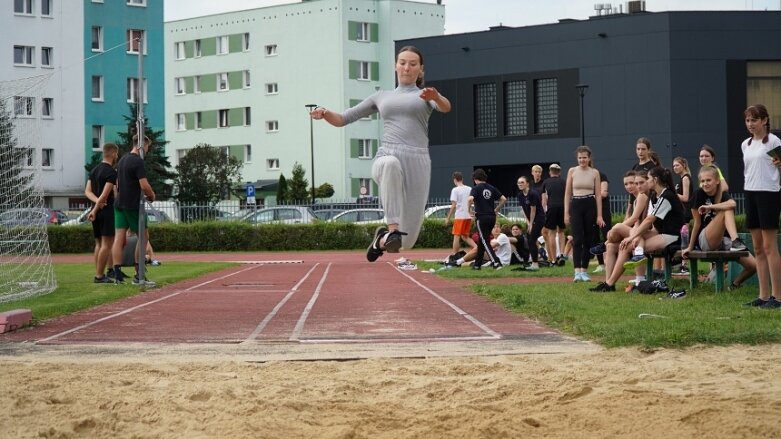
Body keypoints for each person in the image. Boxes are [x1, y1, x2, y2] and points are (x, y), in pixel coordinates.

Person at [310, 46, 451, 262]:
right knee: (391, 164)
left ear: (420, 70)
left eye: (413, 64)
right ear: (395, 66)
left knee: (406, 242)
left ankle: (382, 239)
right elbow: (343, 119)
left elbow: (446, 108)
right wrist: (325, 113)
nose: (407, 67)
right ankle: (392, 228)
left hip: (418, 161)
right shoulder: (381, 96)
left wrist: (437, 96)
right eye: (402, 62)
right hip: (387, 155)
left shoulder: (425, 95)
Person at [591, 166, 685, 292]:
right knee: (622, 244)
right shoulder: (656, 196)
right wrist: (634, 236)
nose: (642, 184)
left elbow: (649, 220)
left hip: (672, 237)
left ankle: (633, 280)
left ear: (655, 180)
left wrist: (632, 237)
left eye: (647, 179)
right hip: (660, 233)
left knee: (627, 242)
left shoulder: (666, 196)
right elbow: (644, 223)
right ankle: (609, 283)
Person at [681, 166, 756, 288]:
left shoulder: (723, 194)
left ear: (717, 181)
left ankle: (735, 285)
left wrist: (710, 207)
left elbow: (733, 203)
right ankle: (736, 241)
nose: (705, 184)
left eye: (708, 180)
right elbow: (697, 224)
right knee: (726, 209)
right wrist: (690, 246)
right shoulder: (698, 194)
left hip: (724, 240)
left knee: (753, 266)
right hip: (705, 240)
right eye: (703, 181)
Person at [740, 104, 781, 308]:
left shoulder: (773, 141)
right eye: (747, 120)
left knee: (769, 247)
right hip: (751, 193)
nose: (750, 124)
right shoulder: (745, 144)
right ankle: (763, 295)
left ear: (764, 120)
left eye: (754, 120)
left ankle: (778, 296)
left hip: (769, 194)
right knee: (757, 247)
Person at [111, 134, 156, 286]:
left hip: (119, 204)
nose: (148, 150)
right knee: (143, 236)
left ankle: (117, 273)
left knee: (119, 237)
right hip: (132, 205)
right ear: (142, 145)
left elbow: (116, 184)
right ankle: (139, 273)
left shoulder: (122, 159)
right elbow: (144, 185)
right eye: (148, 147)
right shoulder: (138, 161)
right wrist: (152, 194)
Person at [564, 146, 605, 282]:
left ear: (589, 158)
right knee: (577, 239)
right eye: (580, 157)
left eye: (584, 157)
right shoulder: (572, 171)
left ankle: (584, 270)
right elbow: (567, 194)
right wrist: (566, 213)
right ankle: (576, 271)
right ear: (577, 158)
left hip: (590, 204)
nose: (582, 160)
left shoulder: (594, 172)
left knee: (588, 239)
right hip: (576, 204)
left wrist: (599, 215)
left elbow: (598, 195)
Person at [85, 143, 118, 284]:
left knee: (98, 243)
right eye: (117, 154)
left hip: (96, 212)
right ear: (114, 153)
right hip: (106, 211)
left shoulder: (94, 170)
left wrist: (95, 204)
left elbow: (87, 191)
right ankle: (99, 276)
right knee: (107, 244)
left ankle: (99, 272)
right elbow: (105, 195)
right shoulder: (111, 172)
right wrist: (97, 206)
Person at [468, 168, 506, 270]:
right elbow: (503, 199)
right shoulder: (491, 188)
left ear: (475, 179)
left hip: (481, 217)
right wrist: (497, 209)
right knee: (482, 240)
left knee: (485, 240)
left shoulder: (476, 188)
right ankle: (477, 264)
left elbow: (470, 199)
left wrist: (469, 211)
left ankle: (496, 262)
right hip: (491, 217)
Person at [444, 171, 476, 260]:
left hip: (460, 216)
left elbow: (454, 205)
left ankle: (454, 255)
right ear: (462, 179)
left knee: (456, 235)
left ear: (454, 180)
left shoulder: (455, 190)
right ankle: (477, 248)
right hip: (468, 216)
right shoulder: (469, 188)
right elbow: (472, 201)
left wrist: (448, 218)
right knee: (465, 236)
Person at [516, 175, 544, 271]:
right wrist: (528, 222)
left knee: (532, 240)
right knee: (530, 240)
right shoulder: (520, 195)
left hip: (538, 218)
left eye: (522, 182)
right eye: (519, 182)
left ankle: (535, 264)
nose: (520, 184)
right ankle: (533, 260)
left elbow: (533, 210)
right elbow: (523, 209)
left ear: (527, 183)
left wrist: (531, 224)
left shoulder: (533, 194)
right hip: (530, 220)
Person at [541, 163, 566, 266]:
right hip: (562, 207)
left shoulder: (545, 182)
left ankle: (554, 260)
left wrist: (545, 212)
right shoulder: (564, 182)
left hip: (551, 208)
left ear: (550, 172)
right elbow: (567, 196)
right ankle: (561, 254)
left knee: (551, 233)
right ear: (559, 172)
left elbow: (543, 201)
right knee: (561, 232)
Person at [672, 156, 695, 224]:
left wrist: (673, 193)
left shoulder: (685, 178)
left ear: (684, 165)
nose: (675, 168)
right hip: (682, 211)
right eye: (674, 166)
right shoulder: (682, 178)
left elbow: (685, 198)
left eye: (677, 165)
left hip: (686, 212)